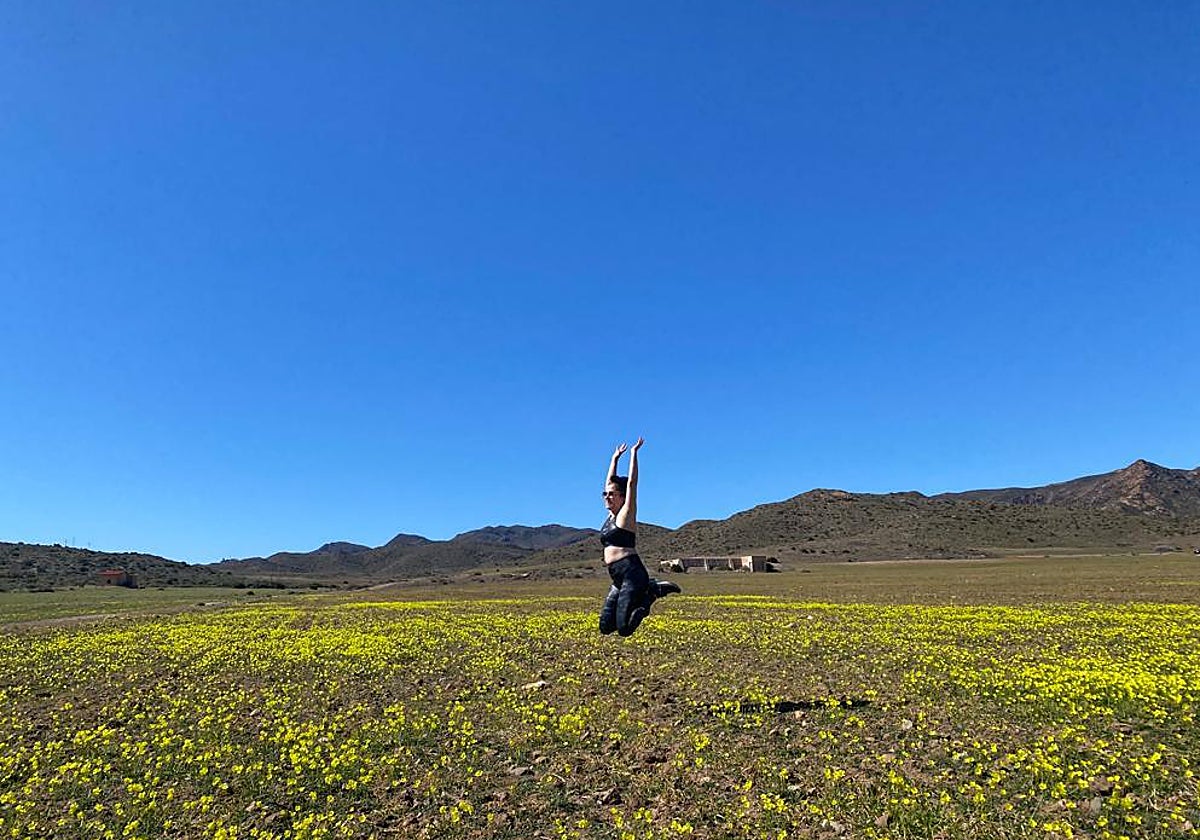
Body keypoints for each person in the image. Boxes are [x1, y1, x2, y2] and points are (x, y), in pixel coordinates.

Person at [598, 438, 680, 637]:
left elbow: (632, 484)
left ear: (622, 497)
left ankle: (652, 592)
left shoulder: (626, 515)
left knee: (625, 629)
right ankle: (650, 589)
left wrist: (634, 454)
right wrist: (614, 458)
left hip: (631, 574)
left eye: (611, 494)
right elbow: (610, 481)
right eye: (604, 494)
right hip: (617, 577)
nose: (606, 497)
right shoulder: (610, 517)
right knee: (606, 627)